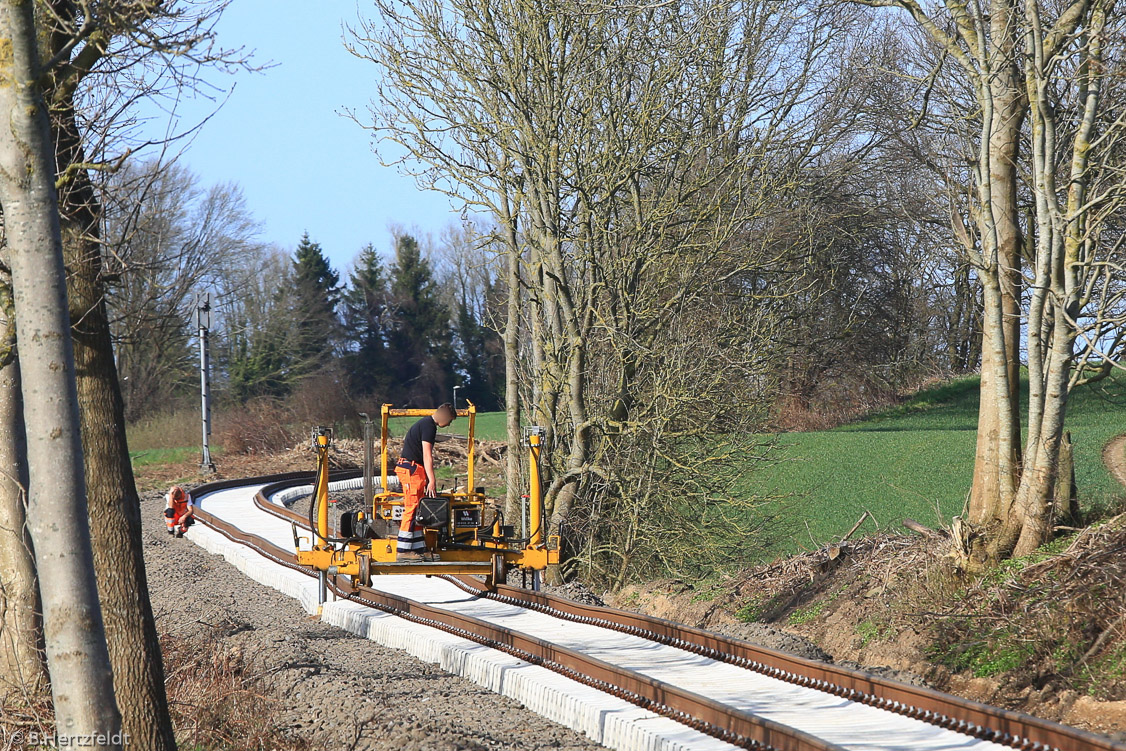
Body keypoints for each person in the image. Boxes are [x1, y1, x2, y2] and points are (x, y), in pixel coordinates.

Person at [394, 403, 456, 561]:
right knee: (412, 508)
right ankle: (403, 550)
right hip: (412, 470)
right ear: (445, 416)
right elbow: (427, 455)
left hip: (415, 470)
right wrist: (432, 480)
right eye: (449, 421)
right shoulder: (429, 426)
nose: (448, 424)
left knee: (418, 511)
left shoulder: (425, 424)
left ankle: (419, 548)